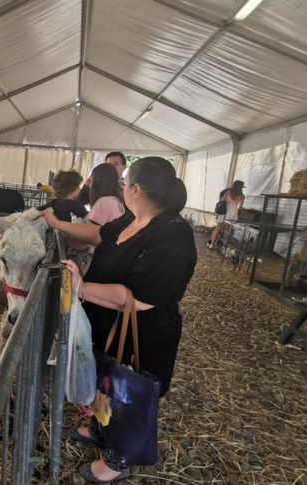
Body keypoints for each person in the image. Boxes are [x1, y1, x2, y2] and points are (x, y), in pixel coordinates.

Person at [41, 157, 197, 483]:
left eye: (124, 183)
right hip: (109, 326)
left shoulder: (173, 236)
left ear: (136, 189)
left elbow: (140, 299)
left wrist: (82, 288)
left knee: (129, 390)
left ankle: (119, 459)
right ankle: (100, 428)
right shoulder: (131, 219)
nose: (122, 187)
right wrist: (59, 225)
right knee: (106, 379)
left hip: (142, 336)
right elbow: (98, 234)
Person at [208, 180, 245, 249]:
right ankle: (223, 247)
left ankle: (211, 244)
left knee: (218, 228)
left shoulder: (228, 192)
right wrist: (242, 210)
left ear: (234, 185)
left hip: (224, 210)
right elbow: (240, 208)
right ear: (241, 187)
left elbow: (222, 201)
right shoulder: (242, 196)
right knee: (227, 230)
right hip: (233, 212)